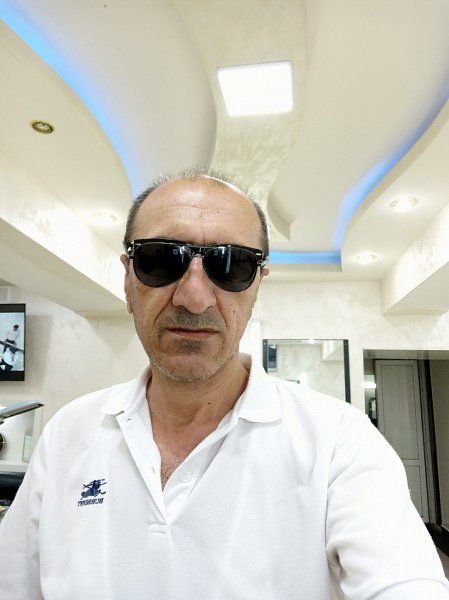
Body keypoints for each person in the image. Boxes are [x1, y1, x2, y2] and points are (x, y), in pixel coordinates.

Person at [0, 169, 448, 600]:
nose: (194, 298)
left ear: (256, 287)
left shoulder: (338, 442)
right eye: (160, 260)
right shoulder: (67, 434)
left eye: (231, 265)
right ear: (127, 278)